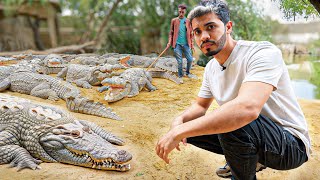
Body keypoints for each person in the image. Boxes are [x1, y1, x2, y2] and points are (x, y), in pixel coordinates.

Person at [156, 0, 311, 179]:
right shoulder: (211, 68)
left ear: (228, 27)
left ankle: (243, 169)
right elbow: (200, 107)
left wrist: (179, 131)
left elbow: (247, 109)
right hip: (253, 134)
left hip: (290, 144)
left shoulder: (262, 53)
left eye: (211, 27)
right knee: (198, 125)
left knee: (234, 119)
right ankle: (246, 156)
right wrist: (179, 122)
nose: (203, 36)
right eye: (197, 32)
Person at [167, 4, 196, 84]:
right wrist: (169, 42)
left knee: (190, 59)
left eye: (182, 12)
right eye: (179, 12)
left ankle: (188, 72)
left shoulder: (188, 21)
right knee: (180, 61)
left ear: (185, 12)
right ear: (178, 11)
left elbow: (191, 34)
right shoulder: (174, 21)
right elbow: (171, 33)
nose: (181, 14)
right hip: (177, 44)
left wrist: (192, 45)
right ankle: (180, 76)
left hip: (186, 44)